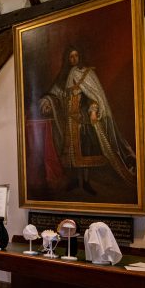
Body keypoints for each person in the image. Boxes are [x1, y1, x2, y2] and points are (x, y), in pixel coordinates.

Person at [38, 45, 136, 195]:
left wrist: (93, 111)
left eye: (76, 56)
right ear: (67, 59)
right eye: (71, 56)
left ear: (80, 57)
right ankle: (77, 181)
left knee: (85, 151)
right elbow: (55, 95)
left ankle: (87, 181)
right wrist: (47, 102)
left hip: (84, 120)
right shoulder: (64, 76)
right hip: (69, 121)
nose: (74, 59)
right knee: (72, 153)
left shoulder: (87, 74)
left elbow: (94, 97)